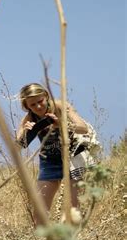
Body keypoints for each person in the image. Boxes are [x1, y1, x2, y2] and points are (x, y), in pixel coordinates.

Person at [15, 83, 89, 224]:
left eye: (40, 101)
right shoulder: (29, 118)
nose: (38, 107)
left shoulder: (60, 106)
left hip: (73, 157)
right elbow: (17, 147)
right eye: (32, 105)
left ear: (46, 97)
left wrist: (60, 124)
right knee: (39, 212)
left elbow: (83, 128)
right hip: (49, 161)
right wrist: (26, 131)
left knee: (73, 210)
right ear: (27, 106)